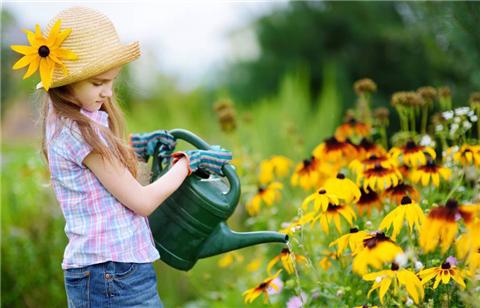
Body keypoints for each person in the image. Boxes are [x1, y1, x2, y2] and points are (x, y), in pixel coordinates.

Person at [10, 6, 232, 308]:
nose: (109, 93)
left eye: (112, 81)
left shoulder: (67, 122)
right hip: (111, 276)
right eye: (98, 83)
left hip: (109, 272)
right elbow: (142, 202)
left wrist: (137, 149)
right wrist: (187, 164)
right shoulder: (80, 133)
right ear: (66, 82)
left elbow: (108, 181)